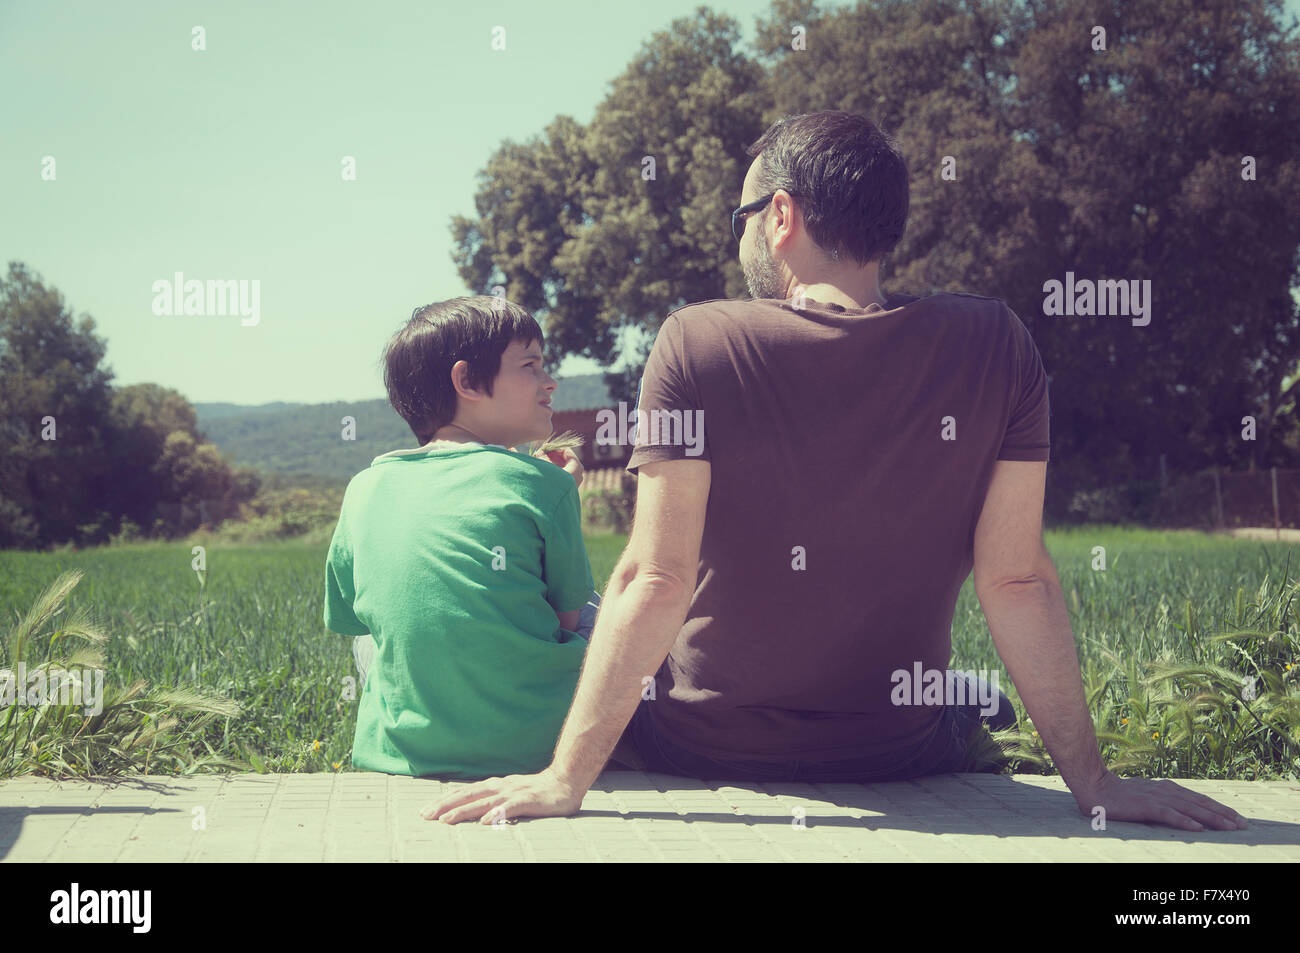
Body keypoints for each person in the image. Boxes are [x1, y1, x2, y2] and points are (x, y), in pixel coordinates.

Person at [422, 110, 1247, 834]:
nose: (738, 233)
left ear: (781, 216)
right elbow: (1017, 578)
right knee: (968, 696)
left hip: (703, 740)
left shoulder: (696, 343)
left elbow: (655, 576)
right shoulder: (996, 346)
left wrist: (566, 780)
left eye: (742, 214)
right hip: (893, 745)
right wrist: (1095, 785)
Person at [323, 296, 600, 780]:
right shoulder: (545, 484)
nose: (549, 382)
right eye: (531, 366)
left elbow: (352, 619)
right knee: (608, 609)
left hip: (401, 756)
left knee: (369, 640)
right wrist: (560, 496)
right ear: (467, 381)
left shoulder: (363, 486)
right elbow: (565, 617)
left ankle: (429, 734)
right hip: (537, 749)